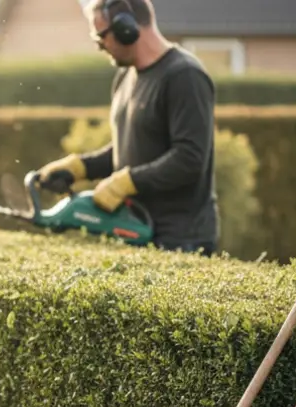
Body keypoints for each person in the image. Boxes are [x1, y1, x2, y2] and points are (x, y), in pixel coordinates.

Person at [36, 0, 220, 256]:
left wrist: (126, 182)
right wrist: (80, 167)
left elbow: (189, 158)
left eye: (101, 36)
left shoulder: (184, 76)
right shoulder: (126, 77)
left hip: (181, 239)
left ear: (127, 27)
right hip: (137, 228)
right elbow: (132, 147)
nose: (99, 46)